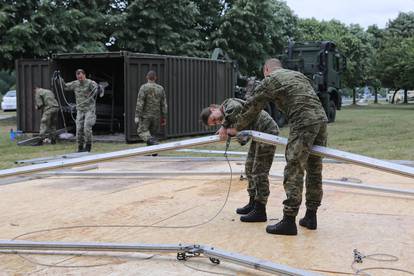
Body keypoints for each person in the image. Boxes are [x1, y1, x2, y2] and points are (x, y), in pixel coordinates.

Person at [221, 58, 328, 236]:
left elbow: (252, 106)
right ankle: (311, 216)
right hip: (321, 118)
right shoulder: (298, 75)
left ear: (266, 70)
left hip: (303, 120)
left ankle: (289, 220)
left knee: (295, 167)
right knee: (314, 169)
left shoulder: (271, 80)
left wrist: (235, 127)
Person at [200, 98, 278, 222]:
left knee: (259, 172)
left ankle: (260, 210)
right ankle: (253, 203)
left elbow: (236, 108)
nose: (217, 122)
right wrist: (233, 133)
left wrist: (224, 127)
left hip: (267, 132)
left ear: (213, 109)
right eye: (214, 123)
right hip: (258, 135)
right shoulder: (229, 118)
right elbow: (243, 137)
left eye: (214, 119)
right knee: (249, 168)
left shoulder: (228, 104)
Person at [61, 69, 98, 152]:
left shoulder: (90, 83)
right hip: (80, 109)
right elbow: (65, 87)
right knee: (79, 129)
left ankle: (88, 146)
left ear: (84, 75)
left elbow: (97, 89)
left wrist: (96, 91)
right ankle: (80, 147)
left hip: (89, 108)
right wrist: (60, 79)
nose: (80, 78)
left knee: (86, 128)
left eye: (81, 76)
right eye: (78, 76)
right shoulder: (75, 83)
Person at [135, 70, 167, 145]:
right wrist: (164, 117)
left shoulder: (144, 88)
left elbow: (140, 103)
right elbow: (164, 104)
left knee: (142, 131)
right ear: (155, 78)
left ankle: (152, 144)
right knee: (152, 134)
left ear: (147, 77)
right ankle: (153, 152)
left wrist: (137, 115)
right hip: (156, 116)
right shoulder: (160, 88)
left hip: (145, 116)